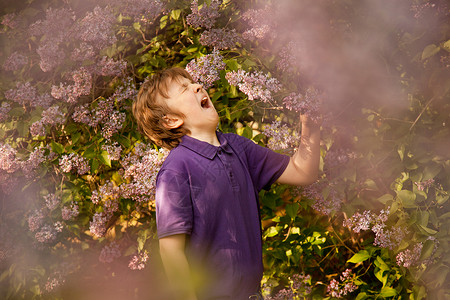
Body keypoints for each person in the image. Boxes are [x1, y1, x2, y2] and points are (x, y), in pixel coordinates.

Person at [132, 67, 320, 300]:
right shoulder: (177, 169)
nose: (197, 86)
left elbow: (303, 172)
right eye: (184, 88)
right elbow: (172, 253)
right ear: (172, 120)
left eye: (193, 82)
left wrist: (311, 125)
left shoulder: (238, 147)